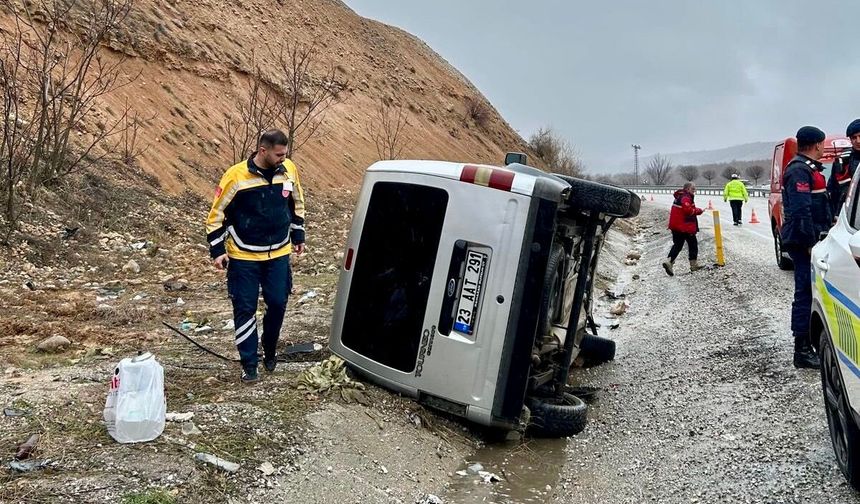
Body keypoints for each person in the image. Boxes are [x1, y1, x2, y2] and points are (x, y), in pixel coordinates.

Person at [205, 130, 306, 383]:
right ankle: (249, 363)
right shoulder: (235, 176)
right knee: (245, 308)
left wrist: (298, 234)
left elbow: (297, 202)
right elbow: (216, 214)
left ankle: (270, 349)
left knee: (278, 303)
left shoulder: (289, 170)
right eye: (279, 154)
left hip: (279, 252)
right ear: (263, 151)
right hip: (244, 256)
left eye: (285, 154)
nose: (284, 158)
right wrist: (218, 250)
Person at [781, 126, 831, 369]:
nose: (823, 148)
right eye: (822, 144)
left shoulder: (806, 168)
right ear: (817, 145)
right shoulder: (800, 170)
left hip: (808, 239)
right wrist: (810, 242)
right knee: (804, 293)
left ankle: (807, 343)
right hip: (803, 242)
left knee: (810, 292)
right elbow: (801, 210)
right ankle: (801, 349)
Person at [662, 182, 705, 276]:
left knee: (677, 245)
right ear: (688, 189)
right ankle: (693, 265)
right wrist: (699, 211)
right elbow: (688, 210)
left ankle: (669, 261)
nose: (695, 191)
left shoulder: (679, 197)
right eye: (693, 189)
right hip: (685, 226)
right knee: (693, 244)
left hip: (676, 226)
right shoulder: (686, 197)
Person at [828, 118, 860, 217]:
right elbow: (833, 189)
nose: (858, 141)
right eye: (854, 138)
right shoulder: (842, 160)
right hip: (848, 213)